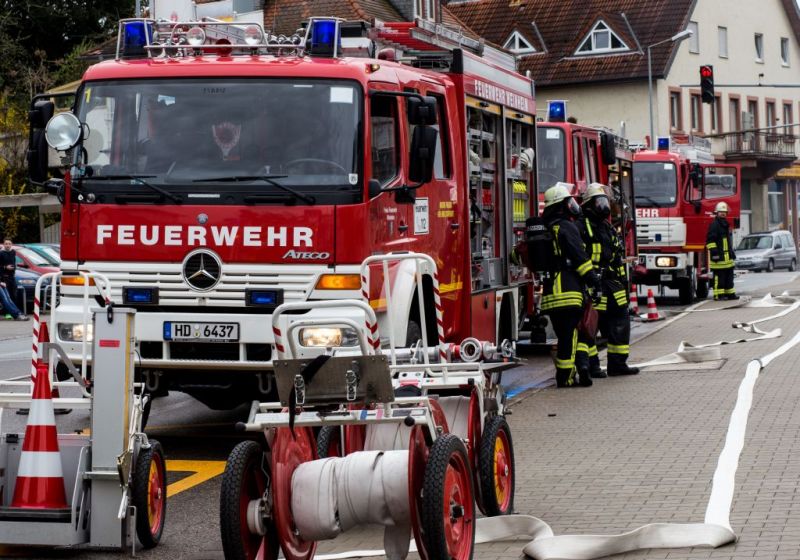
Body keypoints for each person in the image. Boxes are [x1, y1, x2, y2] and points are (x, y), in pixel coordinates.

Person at [540, 183, 601, 388]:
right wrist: (594, 279)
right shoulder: (567, 227)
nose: (573, 205)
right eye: (569, 202)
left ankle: (576, 370)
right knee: (570, 336)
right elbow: (580, 258)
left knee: (566, 336)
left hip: (550, 293)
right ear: (561, 206)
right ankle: (565, 378)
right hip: (569, 290)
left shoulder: (544, 228)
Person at [578, 184, 639, 377]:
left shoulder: (607, 227)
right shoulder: (581, 227)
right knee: (591, 327)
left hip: (613, 285)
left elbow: (616, 256)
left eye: (605, 201)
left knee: (620, 322)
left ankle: (617, 364)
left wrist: (624, 282)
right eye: (599, 202)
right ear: (588, 205)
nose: (603, 206)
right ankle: (593, 366)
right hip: (594, 285)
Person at [706, 201, 737, 301]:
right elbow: (710, 240)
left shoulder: (725, 224)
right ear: (717, 213)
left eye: (724, 212)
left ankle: (730, 294)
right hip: (719, 258)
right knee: (719, 279)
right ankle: (719, 295)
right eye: (721, 212)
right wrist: (714, 252)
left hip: (727, 259)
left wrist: (731, 253)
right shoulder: (714, 225)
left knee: (729, 278)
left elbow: (727, 242)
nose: (723, 213)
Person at [0, 238, 18, 309]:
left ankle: (16, 310)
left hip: (12, 276)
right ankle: (7, 313)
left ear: (11, 244)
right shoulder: (1, 253)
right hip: (4, 277)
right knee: (6, 296)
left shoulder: (13, 252)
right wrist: (5, 267)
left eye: (9, 244)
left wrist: (14, 267)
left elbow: (13, 262)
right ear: (3, 244)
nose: (8, 245)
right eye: (6, 244)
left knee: (14, 294)